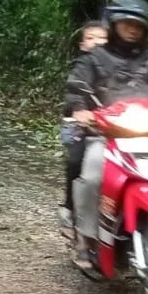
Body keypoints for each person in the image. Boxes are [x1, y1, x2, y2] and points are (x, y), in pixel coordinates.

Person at [65, 0, 148, 271]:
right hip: (105, 135)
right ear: (114, 24)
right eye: (127, 24)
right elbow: (77, 88)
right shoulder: (94, 59)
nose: (132, 29)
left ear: (146, 30)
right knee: (94, 175)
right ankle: (85, 240)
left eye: (138, 25)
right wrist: (80, 110)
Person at [60, 20, 108, 238]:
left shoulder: (119, 66)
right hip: (84, 128)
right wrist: (79, 111)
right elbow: (74, 94)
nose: (96, 42)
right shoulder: (82, 66)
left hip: (120, 129)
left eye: (102, 38)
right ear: (82, 44)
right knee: (76, 161)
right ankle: (69, 209)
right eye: (90, 38)